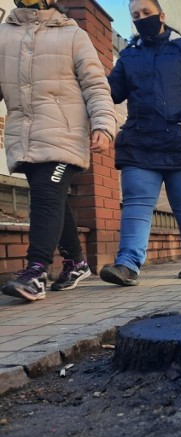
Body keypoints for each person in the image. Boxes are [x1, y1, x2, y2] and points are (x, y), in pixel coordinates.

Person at [0, 0, 116, 302]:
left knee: (46, 196)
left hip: (66, 133)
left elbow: (95, 84)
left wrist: (103, 124)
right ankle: (76, 262)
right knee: (52, 198)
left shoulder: (72, 35)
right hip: (25, 136)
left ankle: (35, 272)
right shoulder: (4, 35)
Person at [99, 0, 181, 287]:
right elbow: (114, 92)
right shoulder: (129, 55)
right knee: (137, 204)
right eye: (135, 16)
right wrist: (89, 73)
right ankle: (127, 264)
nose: (141, 18)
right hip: (141, 142)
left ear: (161, 16)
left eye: (146, 13)